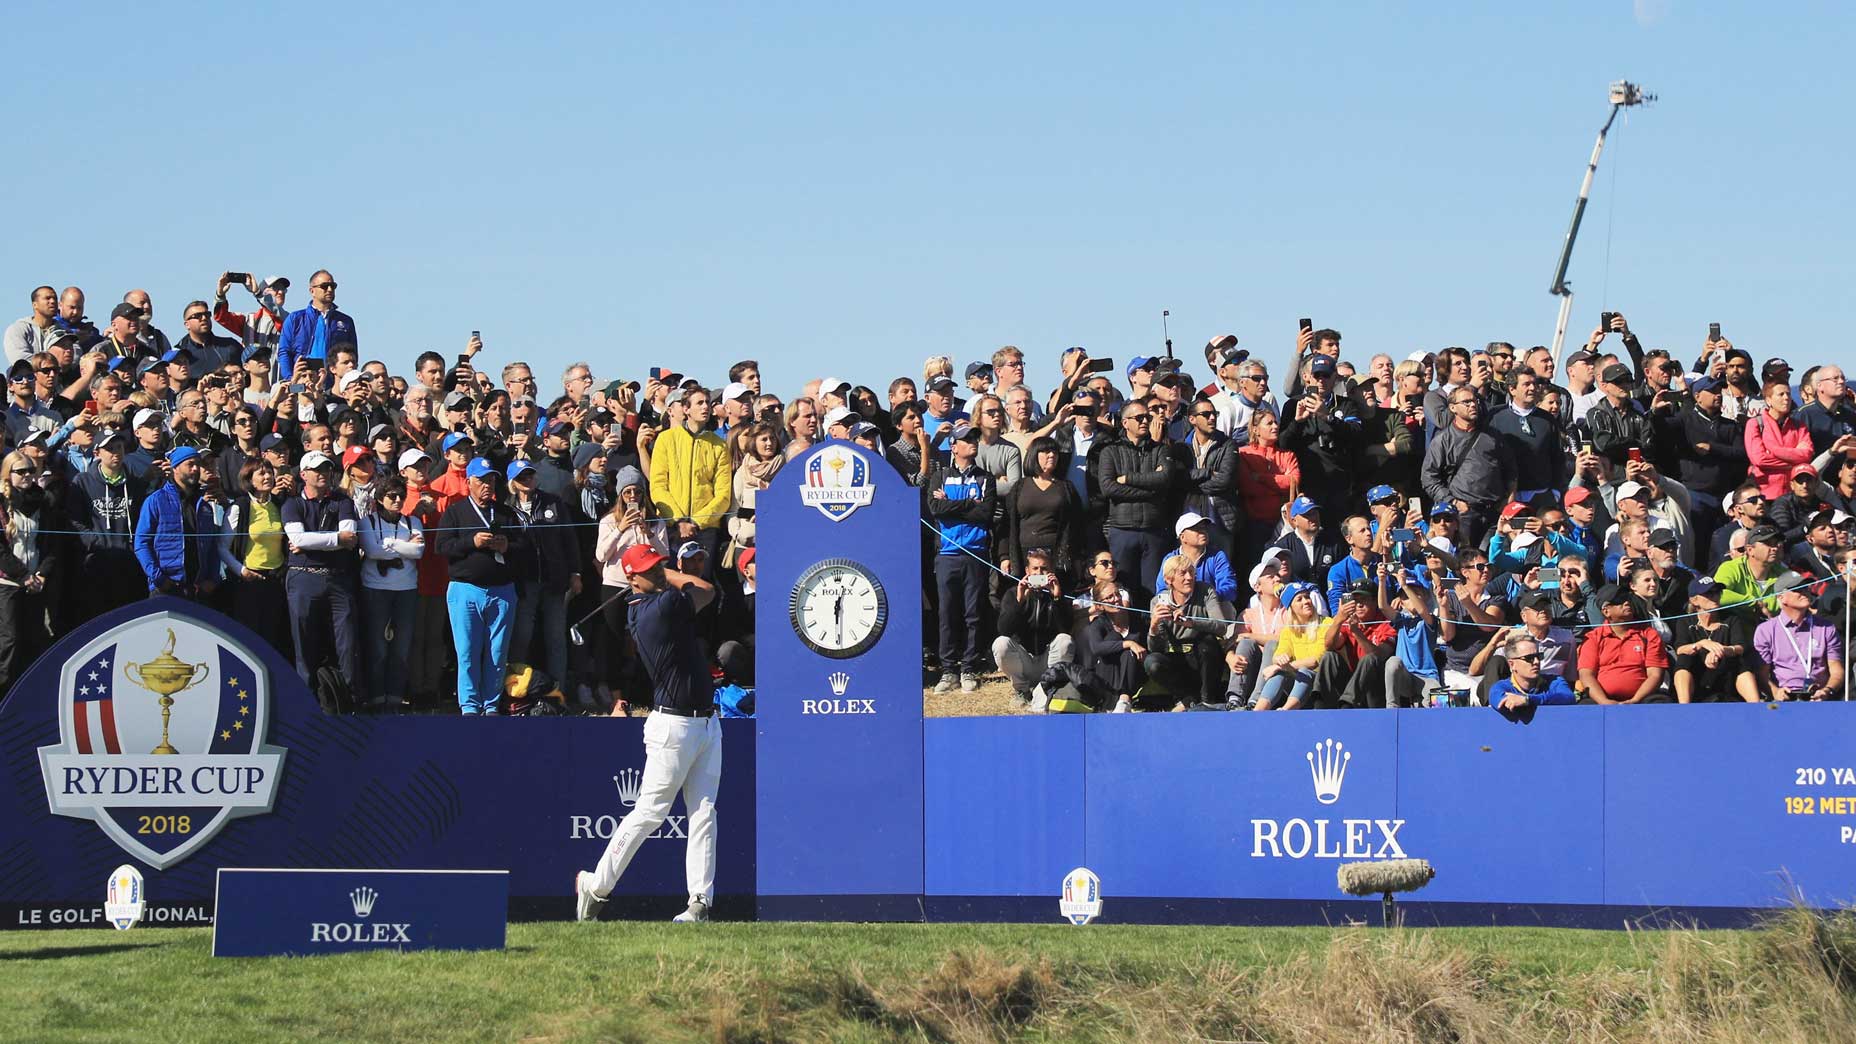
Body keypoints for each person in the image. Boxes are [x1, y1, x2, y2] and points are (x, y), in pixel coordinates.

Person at [574, 543, 722, 926]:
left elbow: (702, 591)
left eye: (659, 566)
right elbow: (705, 589)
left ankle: (699, 902)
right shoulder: (660, 608)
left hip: (706, 722)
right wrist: (670, 574)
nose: (657, 572)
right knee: (649, 814)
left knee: (704, 813)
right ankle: (596, 886)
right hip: (673, 728)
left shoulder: (656, 603)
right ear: (630, 579)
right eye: (648, 569)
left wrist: (655, 569)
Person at [437, 458, 524, 716]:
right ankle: (469, 705)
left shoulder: (506, 512)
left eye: (491, 479)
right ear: (469, 482)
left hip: (502, 590)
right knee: (467, 651)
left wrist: (506, 546)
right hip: (465, 589)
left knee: (497, 652)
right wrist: (471, 542)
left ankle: (491, 705)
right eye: (482, 480)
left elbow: (526, 547)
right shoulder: (455, 511)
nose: (487, 485)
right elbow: (441, 547)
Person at [926, 423, 996, 694]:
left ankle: (968, 667)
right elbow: (935, 509)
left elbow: (986, 514)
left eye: (974, 438)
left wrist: (952, 506)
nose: (973, 443)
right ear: (953, 446)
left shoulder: (985, 478)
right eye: (966, 439)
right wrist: (969, 503)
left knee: (973, 614)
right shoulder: (940, 476)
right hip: (947, 554)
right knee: (947, 614)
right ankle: (948, 670)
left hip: (976, 553)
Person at [357, 478, 425, 712]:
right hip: (375, 589)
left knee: (401, 647)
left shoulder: (412, 520)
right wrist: (401, 546)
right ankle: (376, 698)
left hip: (406, 589)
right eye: (392, 496)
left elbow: (418, 551)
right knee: (377, 646)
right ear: (379, 499)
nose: (397, 501)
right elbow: (372, 551)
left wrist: (388, 542)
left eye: (401, 496)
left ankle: (395, 698)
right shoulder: (367, 522)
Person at [0, 451, 61, 697]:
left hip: (36, 582)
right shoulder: (2, 504)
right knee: (9, 641)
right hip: (7, 582)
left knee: (36, 639)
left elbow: (51, 544)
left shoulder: (44, 502)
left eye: (30, 470)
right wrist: (23, 575)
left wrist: (42, 574)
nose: (27, 475)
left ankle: (29, 697)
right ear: (8, 474)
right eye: (20, 471)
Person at [1422, 386, 1515, 548]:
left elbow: (1511, 471)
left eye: (1475, 401)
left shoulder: (1493, 436)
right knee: (1466, 563)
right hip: (1464, 514)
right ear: (1453, 408)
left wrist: (1508, 500)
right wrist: (1452, 502)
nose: (1473, 405)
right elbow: (1429, 478)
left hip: (1494, 512)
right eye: (1466, 402)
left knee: (1491, 562)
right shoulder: (1442, 440)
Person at [223, 459, 292, 657]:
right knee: (250, 639)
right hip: (249, 582)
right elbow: (222, 547)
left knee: (274, 637)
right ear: (249, 480)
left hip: (276, 580)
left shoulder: (279, 505)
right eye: (261, 473)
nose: (268, 477)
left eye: (270, 472)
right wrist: (241, 570)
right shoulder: (240, 507)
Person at [990, 549, 1072, 708]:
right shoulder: (1013, 593)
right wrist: (1019, 601)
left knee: (1065, 640)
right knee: (1000, 643)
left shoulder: (1058, 594)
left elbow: (1066, 628)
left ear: (1051, 571)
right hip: (1024, 660)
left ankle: (1048, 686)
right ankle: (1022, 690)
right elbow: (1003, 630)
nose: (1039, 573)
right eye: (1035, 569)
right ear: (1027, 571)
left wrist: (1056, 599)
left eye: (1044, 569)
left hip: (1047, 661)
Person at [1754, 573, 1845, 702]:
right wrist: (1775, 691)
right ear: (1781, 597)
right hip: (1784, 699)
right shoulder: (1766, 630)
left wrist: (1827, 690)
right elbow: (1761, 674)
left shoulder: (1826, 627)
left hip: (1819, 698)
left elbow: (1837, 670)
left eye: (1806, 587)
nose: (1805, 592)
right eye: (1797, 589)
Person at [1577, 584, 1670, 704]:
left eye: (1627, 598)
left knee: (1661, 702)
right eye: (1618, 601)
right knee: (1585, 706)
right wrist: (1604, 701)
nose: (1626, 602)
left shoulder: (1649, 635)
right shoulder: (1593, 638)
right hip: (1601, 699)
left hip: (1643, 698)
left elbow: (1655, 675)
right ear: (1606, 611)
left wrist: (1635, 699)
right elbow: (1586, 675)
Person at [1672, 579, 1759, 703]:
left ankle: (1755, 705)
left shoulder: (1731, 619)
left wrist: (1721, 650)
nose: (1715, 597)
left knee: (1741, 662)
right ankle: (1684, 707)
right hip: (1699, 677)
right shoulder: (1685, 621)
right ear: (1694, 600)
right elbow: (1680, 649)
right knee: (1684, 659)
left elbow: (1740, 647)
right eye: (1708, 594)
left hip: (1726, 675)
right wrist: (1702, 643)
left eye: (1717, 592)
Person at [1249, 581, 1328, 710]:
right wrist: (1279, 660)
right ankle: (1258, 711)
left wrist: (1279, 667)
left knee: (1302, 671)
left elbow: (1315, 661)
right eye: (1299, 599)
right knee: (1279, 675)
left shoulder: (1326, 623)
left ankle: (1287, 710)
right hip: (1298, 683)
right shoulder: (1288, 630)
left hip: (1319, 683)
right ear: (1291, 607)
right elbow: (1279, 654)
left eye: (1307, 597)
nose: (1306, 601)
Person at [275, 271, 357, 381]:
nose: (329, 289)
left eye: (333, 286)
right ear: (312, 291)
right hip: (303, 380)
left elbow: (352, 354)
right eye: (324, 286)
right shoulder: (296, 318)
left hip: (334, 384)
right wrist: (290, 379)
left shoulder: (345, 321)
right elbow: (284, 351)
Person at [1487, 635, 1577, 721]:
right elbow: (1499, 701)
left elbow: (1569, 698)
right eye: (1529, 658)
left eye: (1538, 656)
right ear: (1512, 664)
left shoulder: (1555, 681)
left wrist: (1528, 700)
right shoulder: (1501, 687)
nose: (1536, 662)